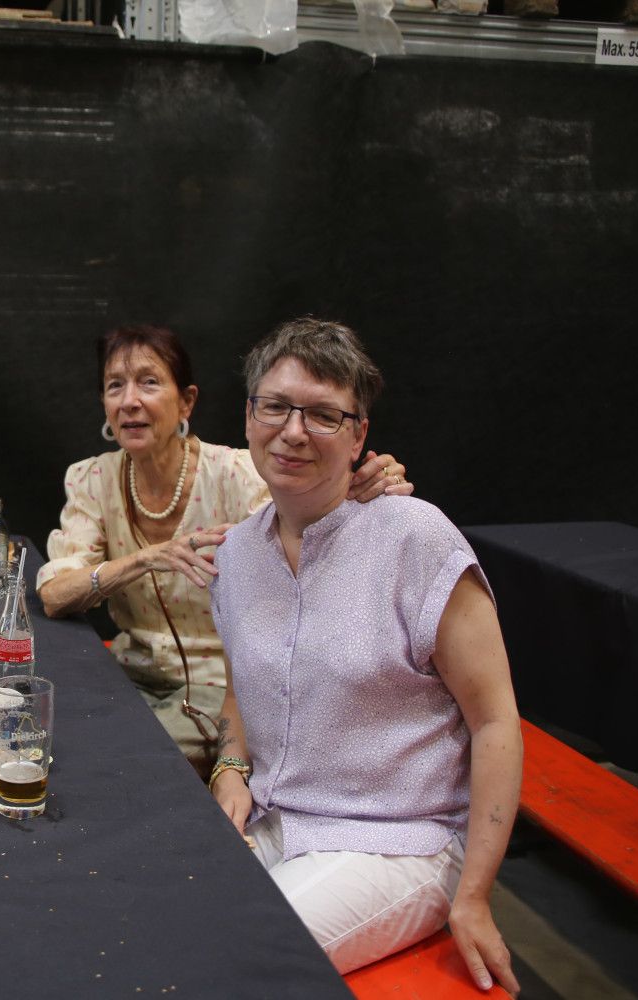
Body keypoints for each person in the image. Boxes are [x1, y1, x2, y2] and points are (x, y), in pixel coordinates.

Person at [209, 318, 521, 993]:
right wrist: (230, 769)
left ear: (359, 437)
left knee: (241, 957)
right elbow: (241, 687)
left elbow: (496, 721)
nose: (294, 431)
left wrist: (475, 896)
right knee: (149, 920)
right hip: (273, 823)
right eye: (276, 406)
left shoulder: (415, 538)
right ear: (249, 416)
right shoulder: (236, 555)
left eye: (323, 415)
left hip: (397, 842)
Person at [36, 324, 410, 773]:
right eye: (115, 386)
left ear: (186, 402)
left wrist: (365, 483)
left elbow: (313, 523)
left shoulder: (240, 474)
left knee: (117, 758)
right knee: (45, 731)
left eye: (149, 382)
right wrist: (146, 558)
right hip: (129, 673)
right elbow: (55, 595)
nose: (129, 400)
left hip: (223, 687)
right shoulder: (93, 479)